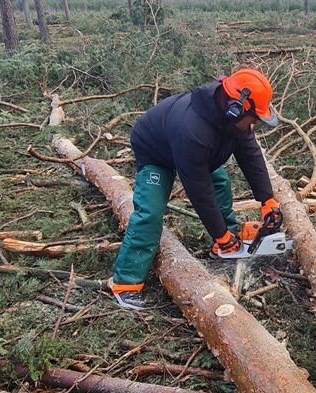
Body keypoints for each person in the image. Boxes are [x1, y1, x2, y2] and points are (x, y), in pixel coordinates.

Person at [109, 67, 283, 311]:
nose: (254, 123)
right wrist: (219, 233)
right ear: (237, 108)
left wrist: (267, 200)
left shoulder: (233, 120)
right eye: (254, 118)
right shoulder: (193, 130)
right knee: (150, 212)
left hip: (193, 152)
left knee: (220, 183)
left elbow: (251, 156)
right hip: (155, 151)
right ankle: (125, 283)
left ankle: (226, 244)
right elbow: (199, 189)